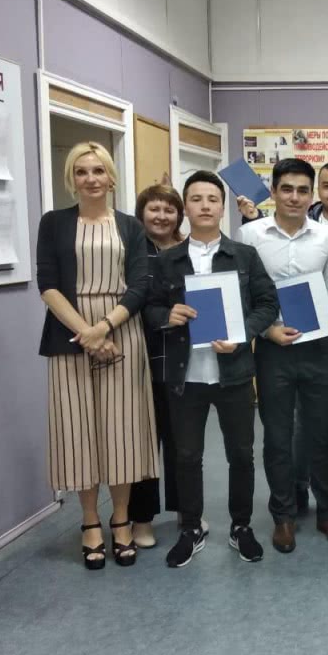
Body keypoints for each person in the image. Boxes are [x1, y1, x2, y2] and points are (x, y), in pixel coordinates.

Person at [143, 171, 279, 568]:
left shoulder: (244, 256)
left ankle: (241, 526)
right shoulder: (168, 260)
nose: (205, 206)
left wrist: (242, 333)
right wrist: (166, 315)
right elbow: (148, 307)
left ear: (223, 208)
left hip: (233, 372)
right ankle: (190, 528)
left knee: (241, 454)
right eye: (196, 199)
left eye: (212, 199)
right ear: (185, 208)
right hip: (185, 376)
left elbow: (267, 303)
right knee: (186, 456)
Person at [36, 141, 158, 570]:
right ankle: (89, 521)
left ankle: (121, 519)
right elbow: (48, 285)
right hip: (68, 333)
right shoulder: (53, 223)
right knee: (78, 432)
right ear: (72, 178)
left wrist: (103, 327)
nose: (91, 178)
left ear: (111, 177)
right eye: (82, 171)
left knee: (122, 432)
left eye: (98, 170)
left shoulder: (130, 226)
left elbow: (140, 285)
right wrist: (86, 333)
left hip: (121, 331)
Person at [238, 158, 328, 552]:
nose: (294, 197)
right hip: (273, 351)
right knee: (277, 436)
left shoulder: (327, 238)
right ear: (273, 192)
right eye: (286, 189)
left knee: (320, 433)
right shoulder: (250, 235)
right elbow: (243, 296)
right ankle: (283, 516)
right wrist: (266, 330)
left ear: (311, 195)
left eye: (303, 190)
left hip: (318, 348)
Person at [127, 184, 200, 549]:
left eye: (169, 210)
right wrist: (162, 317)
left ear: (179, 215)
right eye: (153, 209)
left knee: (182, 443)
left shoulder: (190, 250)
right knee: (144, 443)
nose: (161, 216)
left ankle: (187, 512)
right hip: (140, 356)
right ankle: (141, 519)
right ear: (141, 213)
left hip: (185, 359)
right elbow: (128, 302)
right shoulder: (130, 251)